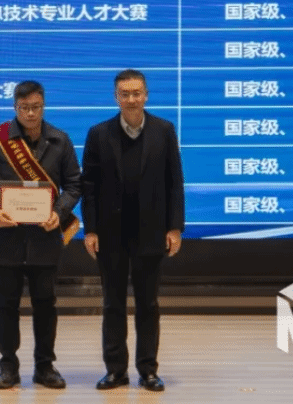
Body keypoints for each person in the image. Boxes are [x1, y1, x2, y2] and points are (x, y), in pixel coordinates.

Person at [0, 80, 82, 390]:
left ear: (43, 106)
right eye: (24, 108)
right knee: (6, 305)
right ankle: (8, 367)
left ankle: (45, 366)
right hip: (6, 238)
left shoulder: (60, 139)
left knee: (45, 304)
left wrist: (59, 212)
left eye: (35, 107)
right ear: (15, 107)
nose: (30, 114)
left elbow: (74, 184)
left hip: (45, 237)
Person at [82, 69, 184, 393]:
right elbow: (89, 187)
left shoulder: (164, 130)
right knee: (112, 304)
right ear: (116, 97)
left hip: (151, 233)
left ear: (146, 95)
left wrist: (175, 227)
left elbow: (174, 182)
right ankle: (115, 371)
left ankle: (148, 370)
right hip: (110, 235)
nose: (131, 99)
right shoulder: (99, 133)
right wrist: (90, 230)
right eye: (124, 94)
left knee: (148, 305)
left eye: (136, 93)